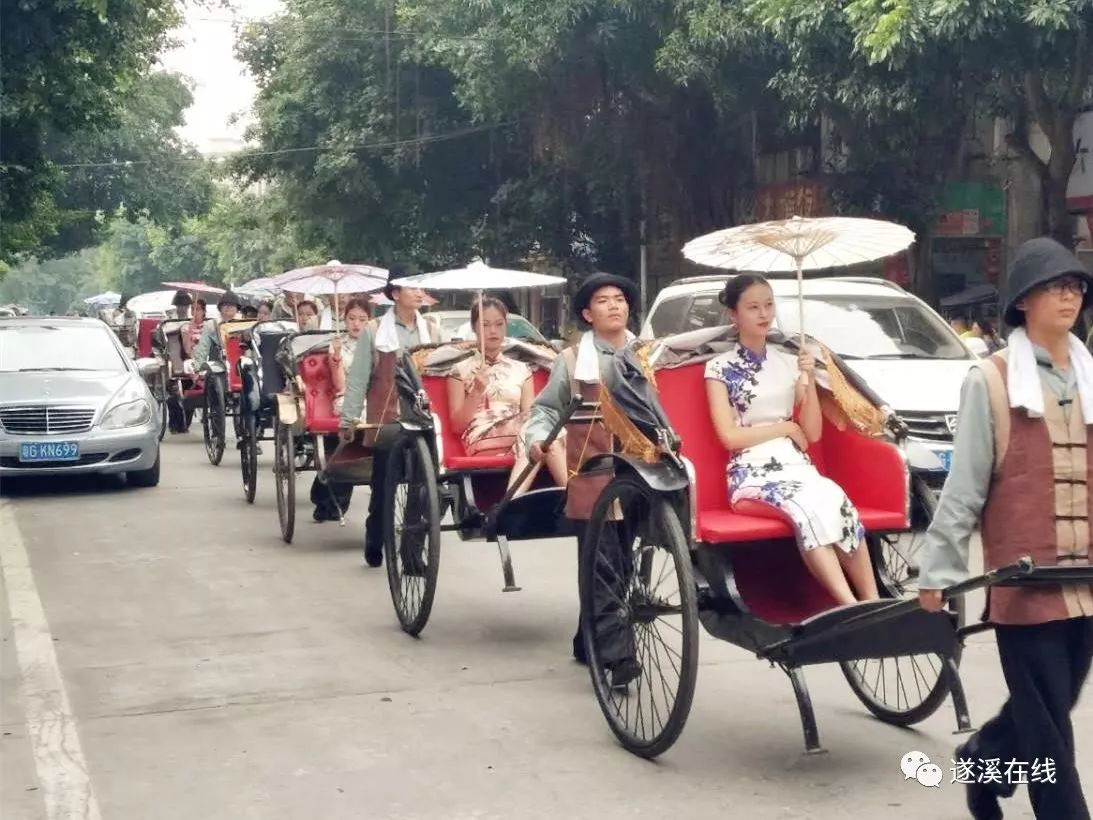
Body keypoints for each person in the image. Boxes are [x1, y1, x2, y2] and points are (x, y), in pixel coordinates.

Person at [917, 237, 1093, 820]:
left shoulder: (1091, 376)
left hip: (1085, 580)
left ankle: (983, 759)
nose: (1069, 296)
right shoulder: (990, 382)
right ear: (1023, 301)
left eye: (1075, 286)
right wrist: (937, 571)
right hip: (1023, 584)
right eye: (1055, 286)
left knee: (1051, 702)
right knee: (1046, 724)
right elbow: (964, 489)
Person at [704, 274, 879, 607]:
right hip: (751, 473)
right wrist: (784, 428)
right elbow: (729, 437)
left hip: (797, 467)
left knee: (836, 498)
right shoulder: (718, 368)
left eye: (769, 305)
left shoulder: (789, 362)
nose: (763, 314)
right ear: (733, 315)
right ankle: (848, 604)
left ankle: (872, 601)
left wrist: (809, 378)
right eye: (753, 307)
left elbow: (811, 433)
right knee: (804, 510)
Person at [522, 272, 640, 686]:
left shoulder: (651, 355)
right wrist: (537, 440)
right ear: (588, 314)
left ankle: (585, 638)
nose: (614, 305)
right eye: (604, 300)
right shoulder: (572, 360)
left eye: (620, 298)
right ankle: (618, 655)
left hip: (642, 474)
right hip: (592, 472)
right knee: (604, 563)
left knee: (622, 565)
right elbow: (545, 411)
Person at [339, 267, 442, 566]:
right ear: (395, 294)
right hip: (388, 417)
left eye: (421, 287)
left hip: (424, 416)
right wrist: (348, 420)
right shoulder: (374, 330)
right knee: (384, 485)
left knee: (424, 488)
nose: (419, 292)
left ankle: (412, 552)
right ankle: (375, 536)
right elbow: (359, 378)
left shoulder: (432, 330)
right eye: (412, 287)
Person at [447, 297, 567, 488]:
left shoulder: (522, 369)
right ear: (474, 327)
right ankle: (572, 498)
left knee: (543, 433)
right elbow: (457, 426)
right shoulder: (460, 370)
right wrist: (477, 391)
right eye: (485, 325)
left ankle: (516, 501)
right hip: (481, 437)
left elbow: (529, 414)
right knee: (545, 431)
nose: (493, 331)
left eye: (499, 324)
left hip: (520, 437)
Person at [312, 298, 373, 522]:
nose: (356, 324)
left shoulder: (378, 345)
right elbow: (339, 385)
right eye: (352, 319)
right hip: (348, 396)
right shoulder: (337, 345)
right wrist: (336, 358)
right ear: (344, 320)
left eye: (362, 319)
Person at [191, 291, 241, 372]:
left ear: (237, 308)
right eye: (225, 304)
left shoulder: (243, 324)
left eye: (232, 304)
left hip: (240, 367)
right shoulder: (211, 325)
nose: (228, 307)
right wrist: (198, 368)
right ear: (220, 308)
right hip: (218, 369)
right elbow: (202, 348)